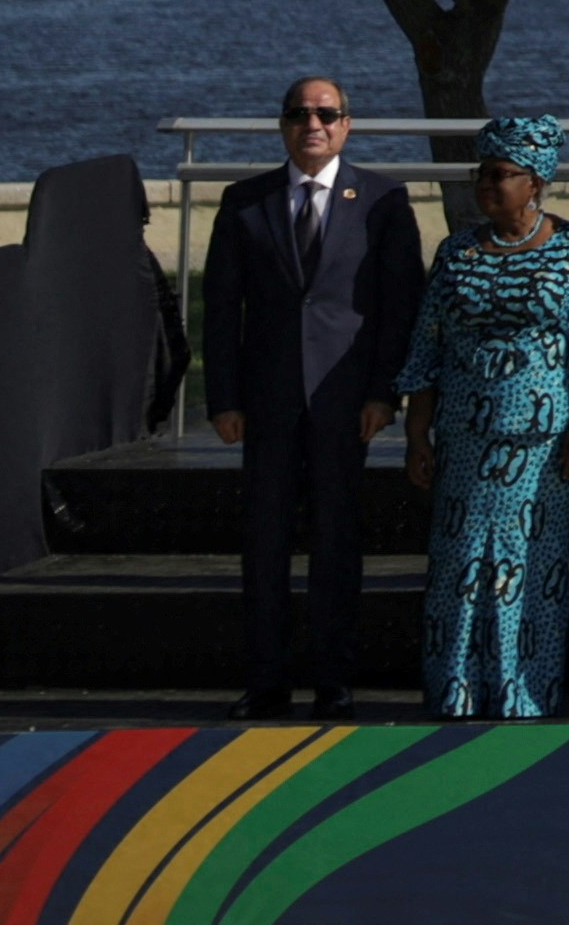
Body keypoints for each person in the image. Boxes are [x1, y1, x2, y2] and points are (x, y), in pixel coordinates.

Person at [395, 114, 569, 722]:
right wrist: (417, 433)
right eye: (482, 174)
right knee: (461, 567)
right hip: (466, 444)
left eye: (502, 175)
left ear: (537, 182)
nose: (488, 185)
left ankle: (524, 693)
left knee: (528, 568)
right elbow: (428, 347)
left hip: (542, 447)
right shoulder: (456, 252)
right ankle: (457, 693)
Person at [203, 74, 420, 718]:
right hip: (265, 403)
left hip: (346, 403)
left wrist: (386, 393)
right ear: (283, 125)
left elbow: (397, 308)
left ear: (347, 125)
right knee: (265, 543)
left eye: (326, 114)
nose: (313, 124)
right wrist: (222, 398)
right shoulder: (245, 202)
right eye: (299, 114)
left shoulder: (382, 200)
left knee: (336, 541)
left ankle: (334, 678)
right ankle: (266, 680)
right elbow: (220, 309)